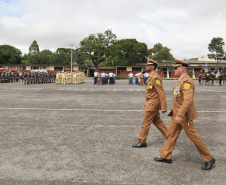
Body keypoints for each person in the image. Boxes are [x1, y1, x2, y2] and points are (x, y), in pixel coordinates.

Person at [154, 60, 215, 170]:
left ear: (182, 69)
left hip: (183, 115)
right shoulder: (180, 81)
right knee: (170, 135)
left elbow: (187, 100)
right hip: (176, 114)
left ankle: (208, 158)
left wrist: (180, 115)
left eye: (176, 68)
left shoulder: (187, 82)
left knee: (193, 136)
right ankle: (166, 156)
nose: (174, 70)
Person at [132, 58, 168, 148]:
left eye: (147, 65)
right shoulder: (151, 76)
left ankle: (142, 140)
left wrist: (164, 107)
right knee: (157, 122)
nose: (146, 66)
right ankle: (170, 137)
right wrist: (146, 101)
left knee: (146, 122)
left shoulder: (155, 77)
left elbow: (161, 92)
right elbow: (150, 92)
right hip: (150, 102)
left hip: (153, 103)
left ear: (152, 66)